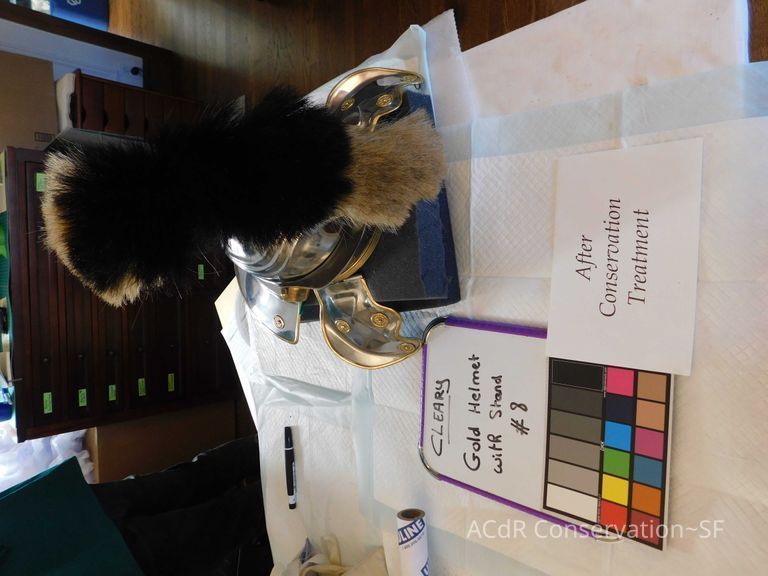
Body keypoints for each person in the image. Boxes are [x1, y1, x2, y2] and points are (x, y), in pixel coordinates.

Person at [0, 435, 271, 576]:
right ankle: (298, 471)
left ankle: (281, 443)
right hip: (84, 556)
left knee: (188, 487)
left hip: (58, 516)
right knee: (212, 525)